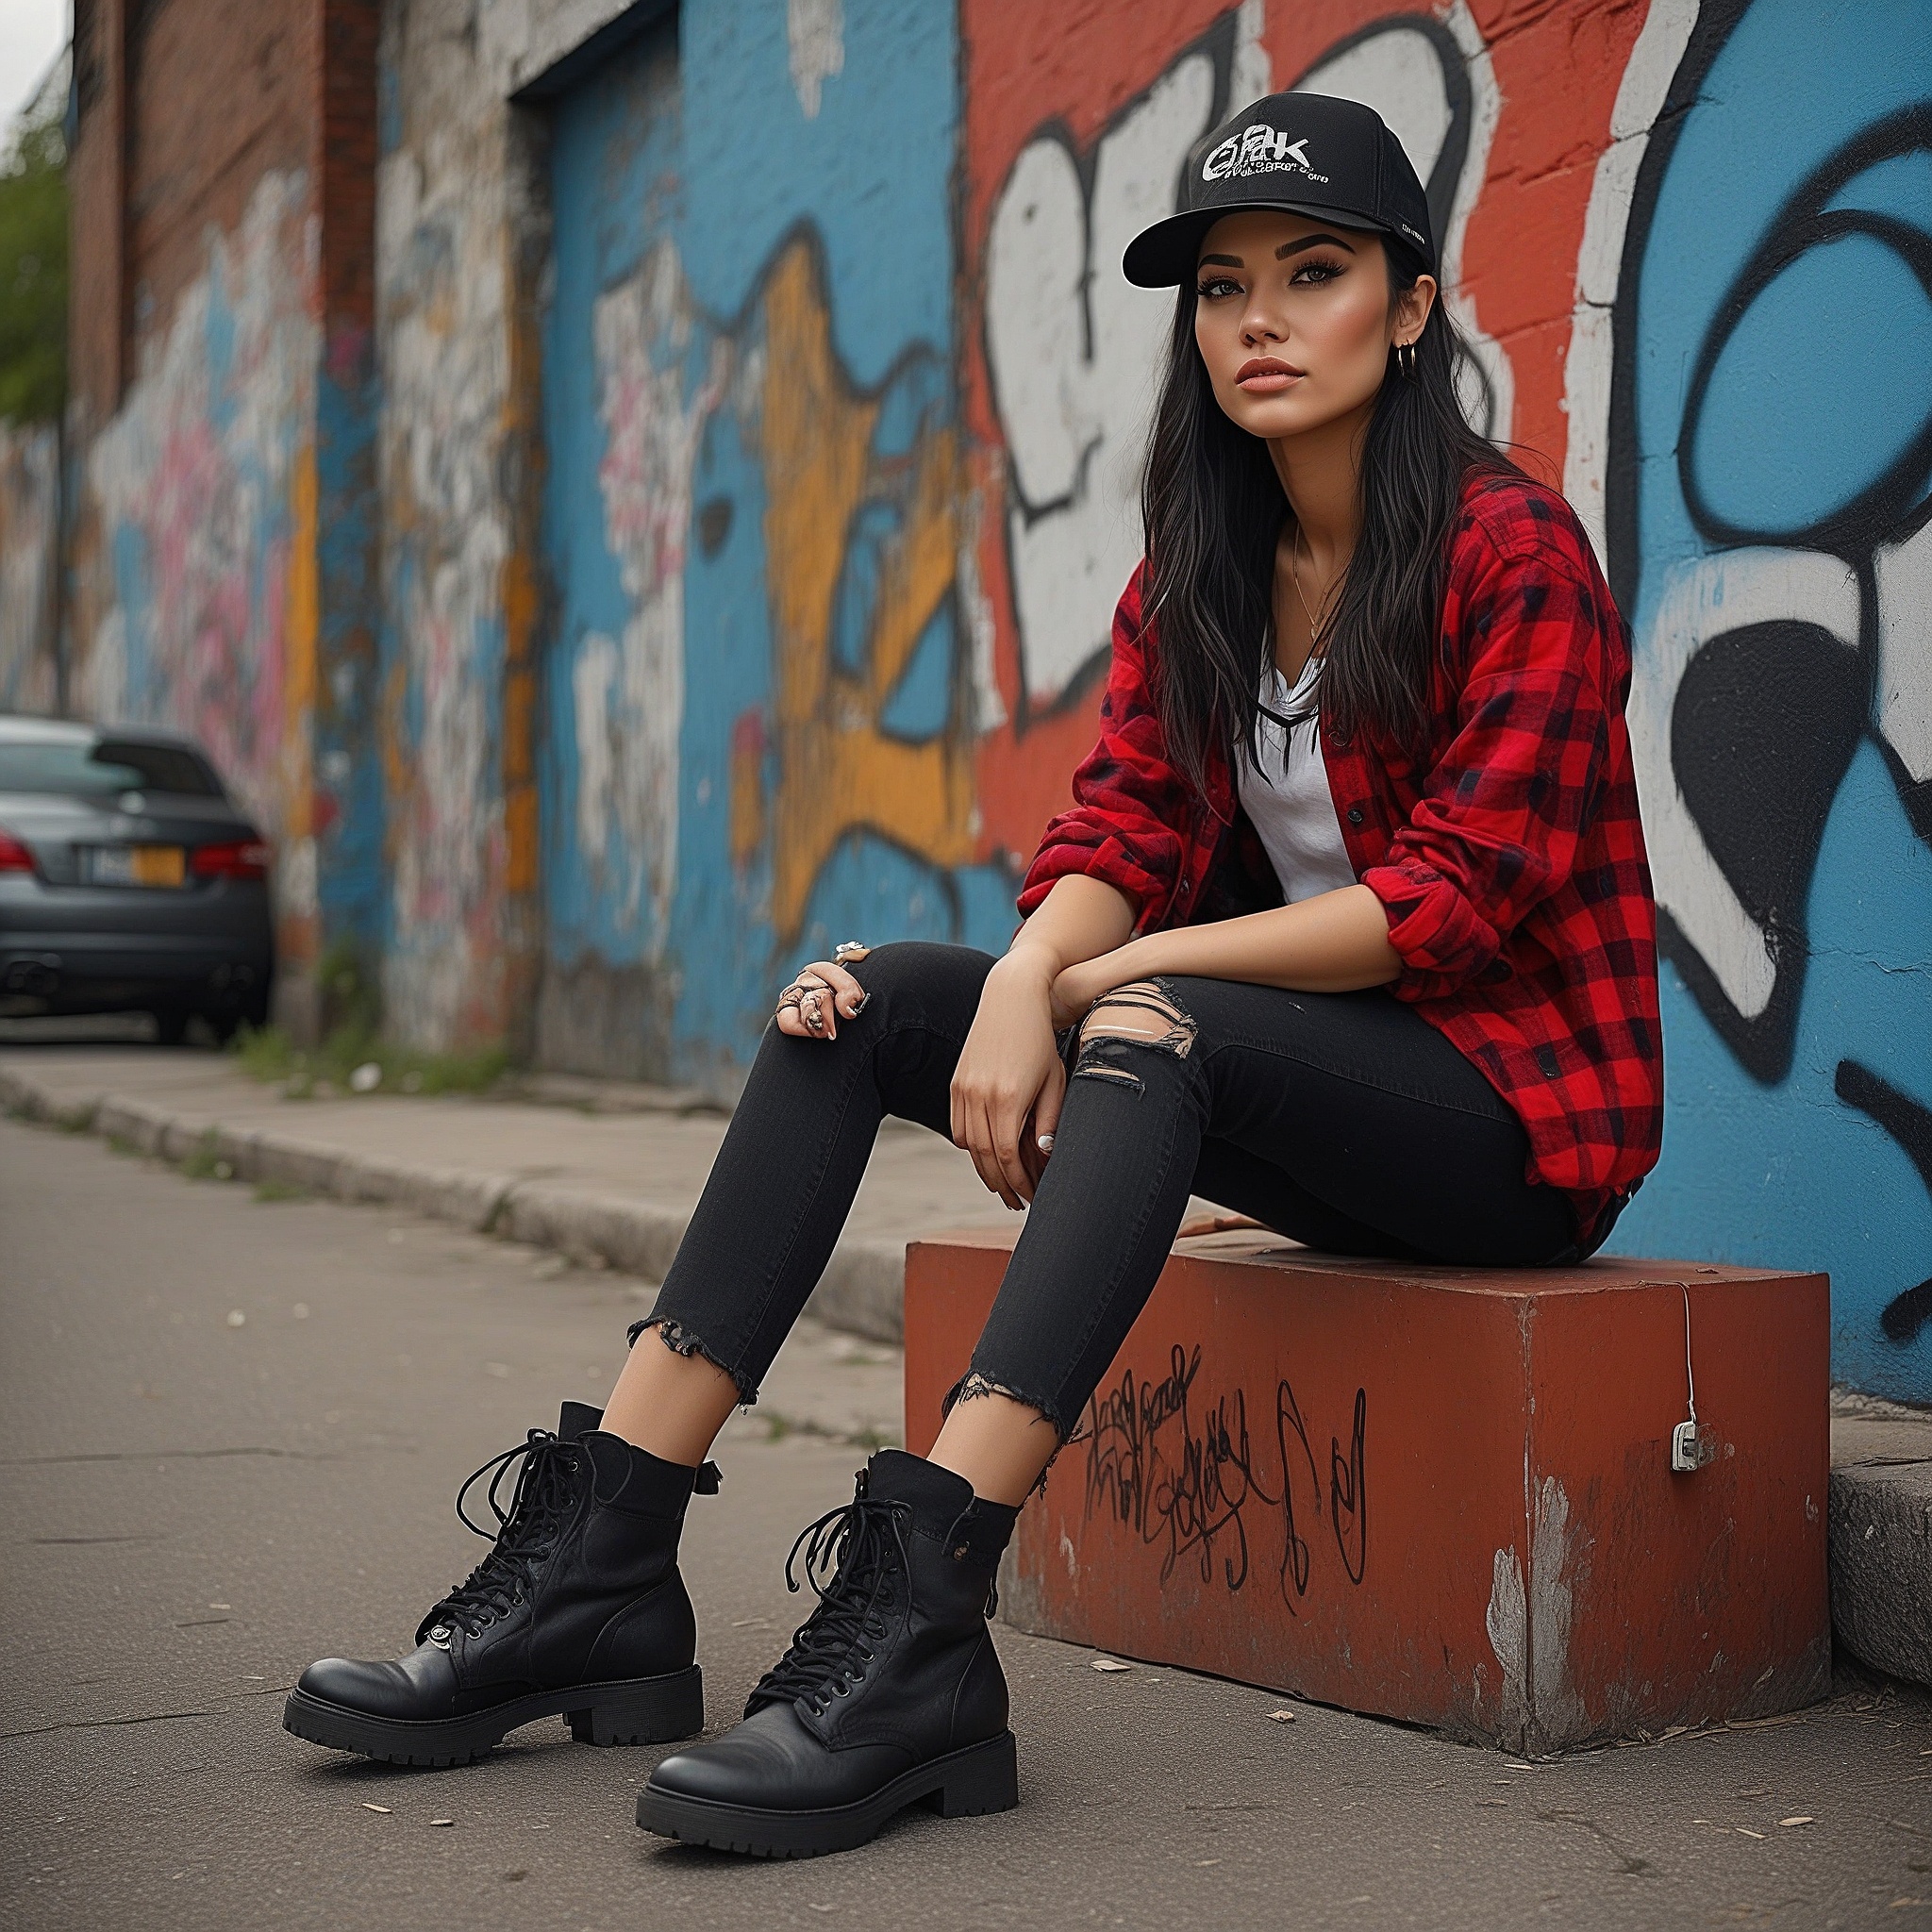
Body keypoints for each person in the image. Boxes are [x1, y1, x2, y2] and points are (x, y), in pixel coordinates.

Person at [284, 92, 1660, 1858]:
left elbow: (1447, 904)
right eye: (1223, 284)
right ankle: (602, 1564)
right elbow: (1124, 824)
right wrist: (1024, 981)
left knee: (1150, 1019)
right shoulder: (1204, 573)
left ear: (1406, 308)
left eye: (1312, 274)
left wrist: (1105, 982)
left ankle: (925, 1616)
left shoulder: (1511, 553)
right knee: (859, 998)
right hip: (1296, 1069)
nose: (1259, 317)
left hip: (1514, 1129)